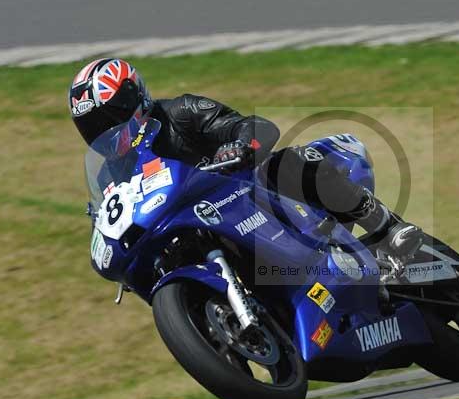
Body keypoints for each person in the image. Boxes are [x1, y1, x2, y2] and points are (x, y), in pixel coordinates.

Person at [69, 58, 423, 258]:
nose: (104, 132)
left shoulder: (181, 112)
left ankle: (385, 226)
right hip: (199, 230)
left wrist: (238, 147)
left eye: (109, 119)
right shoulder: (110, 175)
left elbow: (254, 127)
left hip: (251, 199)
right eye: (92, 127)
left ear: (135, 101)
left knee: (283, 164)